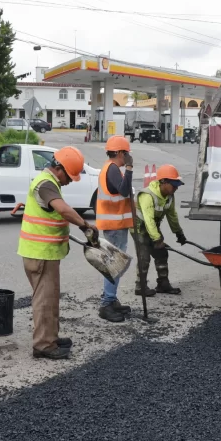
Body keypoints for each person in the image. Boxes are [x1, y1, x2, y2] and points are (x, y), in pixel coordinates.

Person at [18, 146, 99, 360]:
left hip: (46, 253)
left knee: (50, 298)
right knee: (44, 300)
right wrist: (85, 225)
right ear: (59, 168)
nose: (70, 181)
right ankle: (44, 345)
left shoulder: (49, 183)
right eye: (70, 176)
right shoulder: (45, 184)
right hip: (40, 253)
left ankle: (50, 337)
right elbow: (63, 209)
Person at [96, 135, 135, 323]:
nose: (127, 156)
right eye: (126, 154)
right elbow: (124, 190)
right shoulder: (112, 169)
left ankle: (111, 300)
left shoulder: (110, 168)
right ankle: (107, 303)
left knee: (114, 263)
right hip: (114, 225)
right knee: (114, 264)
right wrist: (129, 169)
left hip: (116, 225)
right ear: (120, 153)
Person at [134, 164, 187, 297]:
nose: (176, 188)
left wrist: (179, 233)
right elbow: (148, 219)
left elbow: (172, 216)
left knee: (161, 253)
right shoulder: (147, 195)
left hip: (153, 227)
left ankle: (163, 284)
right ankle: (140, 286)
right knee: (144, 256)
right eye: (173, 184)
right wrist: (157, 239)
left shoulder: (169, 196)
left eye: (177, 185)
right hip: (139, 227)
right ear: (163, 182)